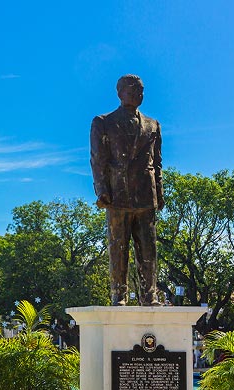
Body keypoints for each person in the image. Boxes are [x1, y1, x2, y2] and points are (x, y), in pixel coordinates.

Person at [90, 74, 164, 306]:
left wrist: (159, 193)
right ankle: (119, 295)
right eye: (132, 89)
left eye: (141, 90)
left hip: (145, 194)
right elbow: (97, 159)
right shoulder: (103, 122)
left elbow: (157, 163)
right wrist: (102, 191)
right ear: (119, 93)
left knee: (148, 250)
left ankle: (149, 295)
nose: (138, 94)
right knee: (118, 249)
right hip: (117, 195)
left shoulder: (153, 125)